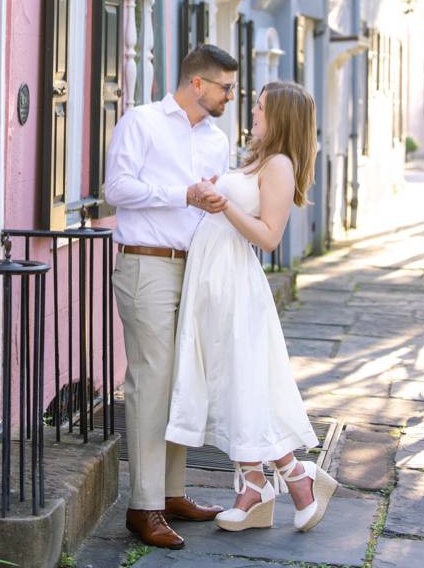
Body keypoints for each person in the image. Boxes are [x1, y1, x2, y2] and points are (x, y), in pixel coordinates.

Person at [166, 80, 338, 533]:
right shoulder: (256, 159)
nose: (254, 113)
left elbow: (269, 236)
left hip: (236, 285)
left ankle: (295, 478)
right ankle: (254, 486)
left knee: (245, 383)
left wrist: (222, 207)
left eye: (261, 108)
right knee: (228, 384)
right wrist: (208, 195)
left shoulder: (279, 164)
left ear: (279, 116)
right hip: (212, 283)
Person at [104, 44, 238, 550]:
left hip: (196, 267)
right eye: (226, 87)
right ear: (197, 84)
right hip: (147, 264)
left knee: (185, 378)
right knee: (152, 381)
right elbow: (116, 188)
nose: (231, 95)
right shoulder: (142, 122)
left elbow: (208, 207)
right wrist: (181, 193)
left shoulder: (217, 140)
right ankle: (143, 506)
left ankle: (173, 492)